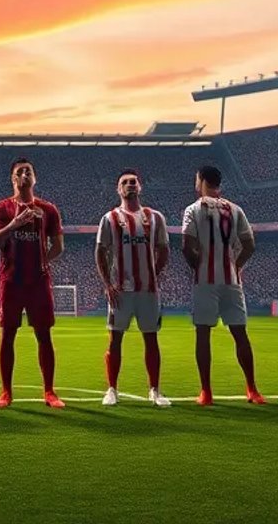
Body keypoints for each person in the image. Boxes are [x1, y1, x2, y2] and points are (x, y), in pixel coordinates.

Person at [0, 157, 65, 408]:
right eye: (19, 172)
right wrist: (14, 224)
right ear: (13, 179)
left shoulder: (48, 209)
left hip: (39, 282)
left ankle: (50, 392)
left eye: (28, 171)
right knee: (8, 334)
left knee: (44, 335)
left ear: (34, 177)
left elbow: (59, 246)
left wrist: (43, 260)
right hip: (10, 282)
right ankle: (6, 392)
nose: (24, 175)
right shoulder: (1, 209)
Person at [180, 165, 263, 405]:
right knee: (240, 333)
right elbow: (249, 244)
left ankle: (206, 392)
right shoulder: (235, 209)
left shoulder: (194, 209)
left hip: (206, 280)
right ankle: (252, 390)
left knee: (203, 333)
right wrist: (236, 266)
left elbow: (187, 244)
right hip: (231, 280)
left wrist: (197, 265)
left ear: (201, 181)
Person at [95, 168, 170, 407]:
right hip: (121, 290)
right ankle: (112, 389)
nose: (130, 185)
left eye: (133, 182)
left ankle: (155, 390)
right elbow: (100, 251)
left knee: (151, 339)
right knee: (115, 339)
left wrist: (154, 274)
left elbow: (164, 249)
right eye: (125, 182)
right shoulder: (110, 218)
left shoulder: (155, 217)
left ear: (140, 187)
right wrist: (107, 284)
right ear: (119, 189)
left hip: (148, 291)